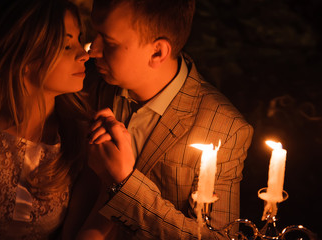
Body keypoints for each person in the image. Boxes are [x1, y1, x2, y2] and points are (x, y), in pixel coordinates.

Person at [75, 0, 254, 239]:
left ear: (157, 51)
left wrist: (125, 183)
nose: (92, 50)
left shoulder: (224, 127)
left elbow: (218, 237)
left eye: (109, 42)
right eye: (95, 34)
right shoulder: (89, 87)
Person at [0, 0, 103, 239]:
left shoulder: (81, 138)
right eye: (67, 46)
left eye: (79, 39)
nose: (83, 54)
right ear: (24, 57)